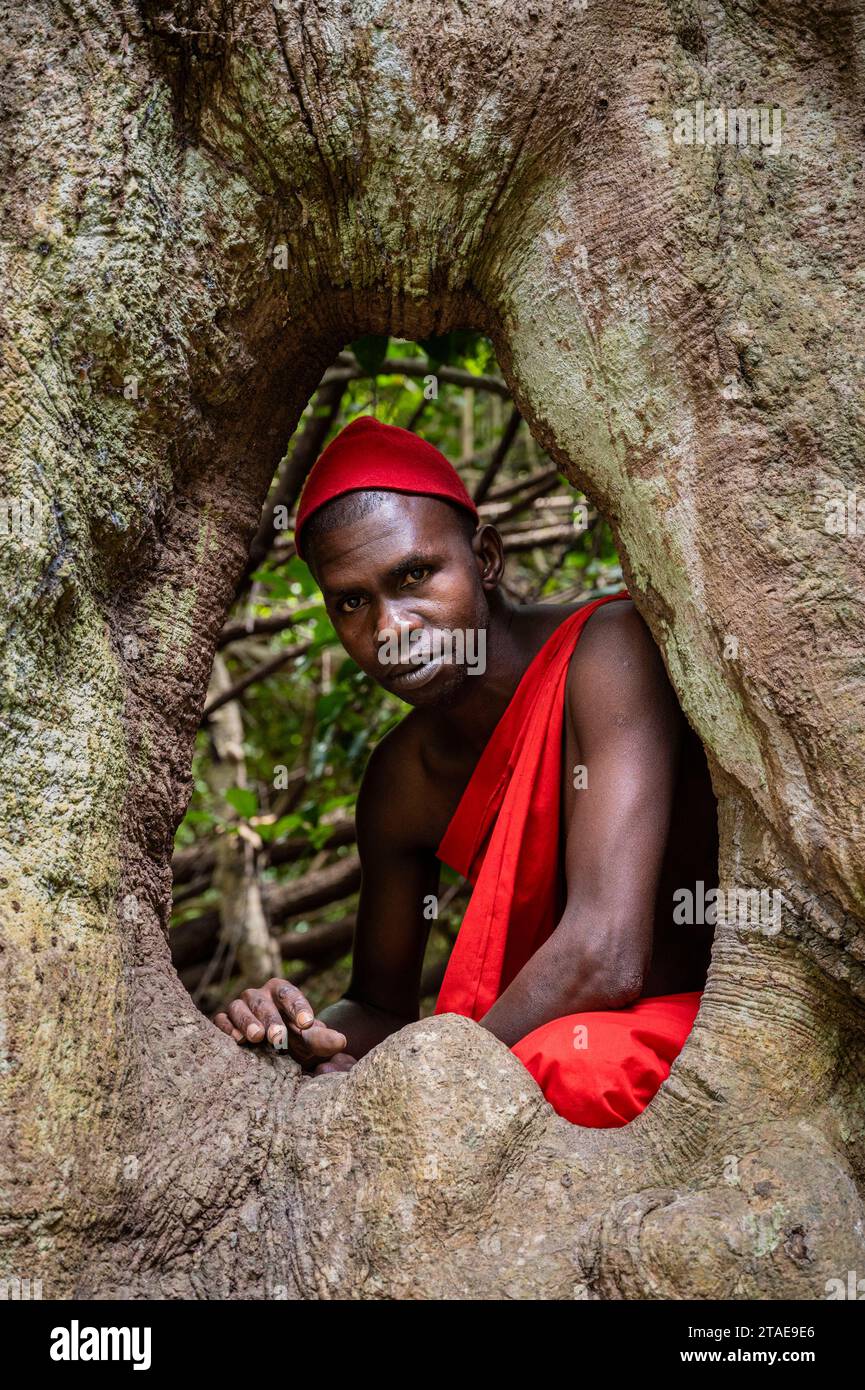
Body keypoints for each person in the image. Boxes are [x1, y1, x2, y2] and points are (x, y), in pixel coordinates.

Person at [213, 416, 718, 1126]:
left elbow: (605, 954)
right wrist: (297, 1028)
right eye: (352, 603)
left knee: (576, 1069)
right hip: (526, 1047)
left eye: (414, 576)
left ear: (484, 556)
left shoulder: (608, 652)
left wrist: (432, 1082)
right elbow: (379, 1006)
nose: (391, 628)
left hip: (694, 1028)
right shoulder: (402, 777)